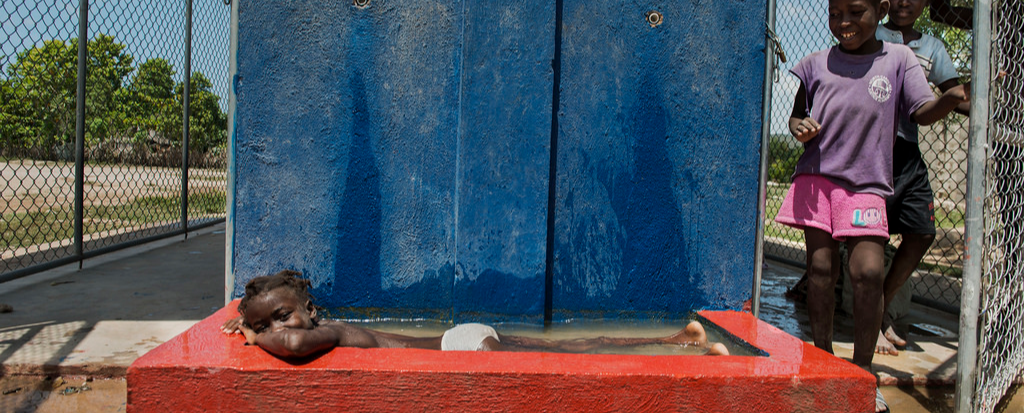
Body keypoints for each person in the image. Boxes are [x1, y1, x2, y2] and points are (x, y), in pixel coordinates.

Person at [776, 0, 968, 410]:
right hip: (818, 179)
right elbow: (796, 115)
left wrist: (951, 98)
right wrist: (798, 127)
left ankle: (863, 375)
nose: (843, 22)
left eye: (855, 12)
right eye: (835, 13)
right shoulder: (815, 63)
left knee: (867, 273)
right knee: (821, 271)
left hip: (867, 184)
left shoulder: (898, 59)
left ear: (880, 11)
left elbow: (921, 112)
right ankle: (824, 361)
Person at [221, 270, 730, 358]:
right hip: (461, 337)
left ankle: (687, 350)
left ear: (309, 310)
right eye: (265, 323)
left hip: (461, 348)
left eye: (281, 315)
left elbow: (293, 345)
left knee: (566, 356)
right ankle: (681, 340)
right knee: (568, 347)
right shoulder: (330, 326)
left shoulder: (327, 331)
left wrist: (251, 333)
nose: (277, 329)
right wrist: (255, 323)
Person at [873, 0, 971, 356]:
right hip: (872, 146)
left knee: (922, 231)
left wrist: (982, 91)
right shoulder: (872, 33)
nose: (904, 1)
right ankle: (871, 323)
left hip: (906, 148)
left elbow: (955, 96)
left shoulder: (932, 47)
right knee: (872, 236)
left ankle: (881, 308)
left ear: (926, 3)